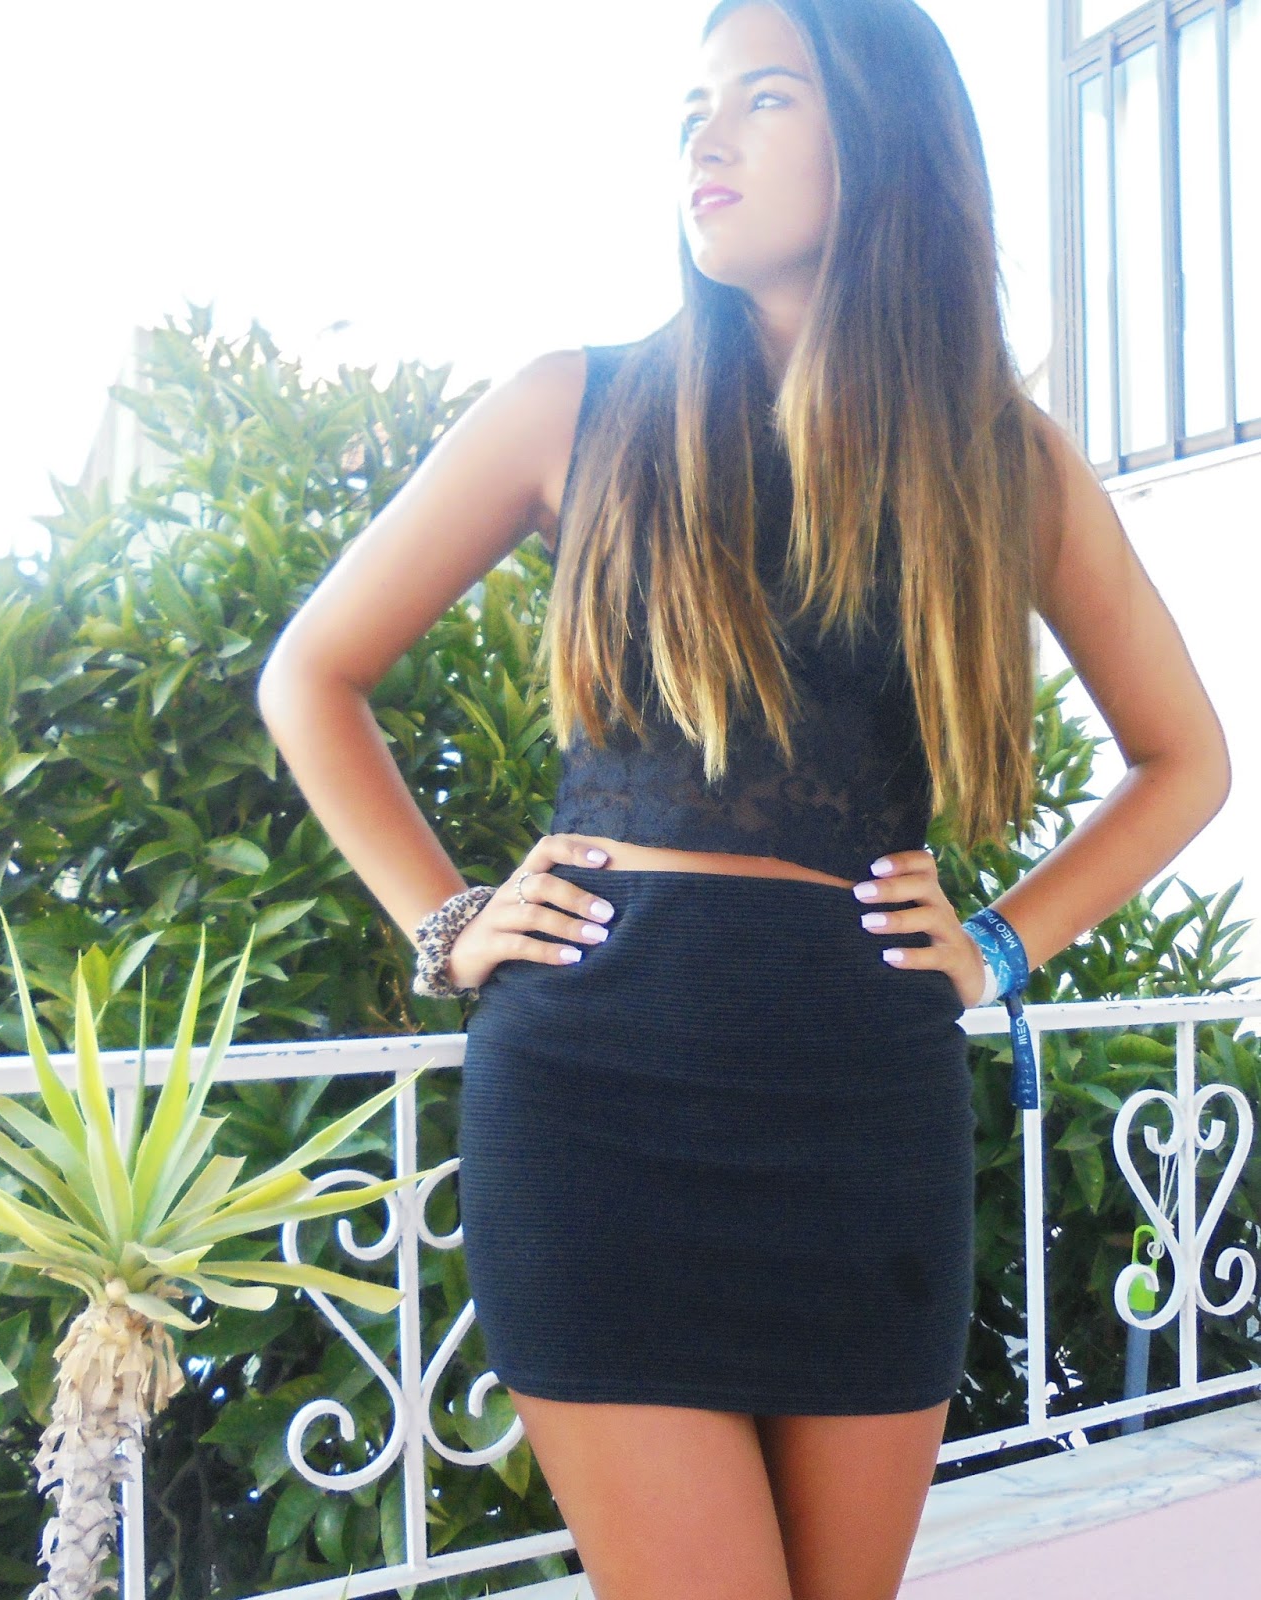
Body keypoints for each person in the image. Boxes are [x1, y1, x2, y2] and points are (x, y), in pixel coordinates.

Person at [257, 1, 1231, 1595]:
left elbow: (1185, 757)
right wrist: (446, 921)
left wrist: (999, 943)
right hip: (594, 1103)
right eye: (691, 106)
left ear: (882, 136)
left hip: (864, 1115)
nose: (702, 139)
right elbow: (313, 675)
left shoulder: (998, 459)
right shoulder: (574, 405)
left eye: (763, 98)